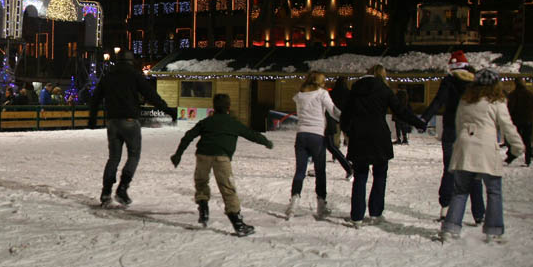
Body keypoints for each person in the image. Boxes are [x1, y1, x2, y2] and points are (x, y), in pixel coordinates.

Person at [170, 93, 273, 236]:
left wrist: (178, 154)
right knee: (227, 188)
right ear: (229, 107)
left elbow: (188, 136)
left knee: (201, 182)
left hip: (203, 155)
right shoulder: (233, 123)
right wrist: (266, 142)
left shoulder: (207, 121)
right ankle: (238, 224)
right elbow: (251, 134)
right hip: (221, 158)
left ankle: (203, 210)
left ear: (214, 107)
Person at [440, 69, 524, 242]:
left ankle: (450, 229)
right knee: (494, 192)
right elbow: (507, 126)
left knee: (460, 191)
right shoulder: (497, 102)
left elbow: (458, 123)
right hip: (485, 149)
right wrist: (517, 147)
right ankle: (493, 231)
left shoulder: (465, 100)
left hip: (465, 147)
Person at [87, 50, 176, 206]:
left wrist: (92, 119)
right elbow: (150, 95)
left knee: (113, 158)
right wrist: (168, 110)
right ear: (131, 61)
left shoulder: (108, 76)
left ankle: (106, 193)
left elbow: (95, 99)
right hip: (129, 120)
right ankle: (122, 188)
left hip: (112, 121)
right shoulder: (134, 75)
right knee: (133, 155)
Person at [341, 64, 427, 226]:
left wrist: (349, 131)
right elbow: (400, 111)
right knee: (380, 176)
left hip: (359, 137)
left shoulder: (355, 89)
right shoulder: (384, 89)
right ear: (382, 75)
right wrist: (419, 123)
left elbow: (346, 115)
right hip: (379, 137)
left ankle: (357, 217)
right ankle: (376, 213)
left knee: (360, 177)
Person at [420, 51, 485, 221]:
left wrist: (424, 119)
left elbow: (438, 102)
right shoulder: (475, 83)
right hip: (472, 131)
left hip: (451, 129)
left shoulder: (448, 82)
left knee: (449, 169)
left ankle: (445, 208)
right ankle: (479, 213)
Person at [285, 72, 341, 218]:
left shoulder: (300, 95)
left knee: (300, 171)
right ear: (319, 82)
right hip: (317, 136)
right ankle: (321, 205)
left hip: (301, 135)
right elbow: (333, 111)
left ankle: (293, 203)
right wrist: (346, 118)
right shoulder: (322, 94)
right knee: (320, 170)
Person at [506, 76, 533, 166]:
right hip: (528, 120)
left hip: (516, 120)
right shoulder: (530, 94)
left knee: (514, 139)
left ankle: (511, 157)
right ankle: (528, 159)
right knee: (527, 140)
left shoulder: (513, 95)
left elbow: (510, 108)